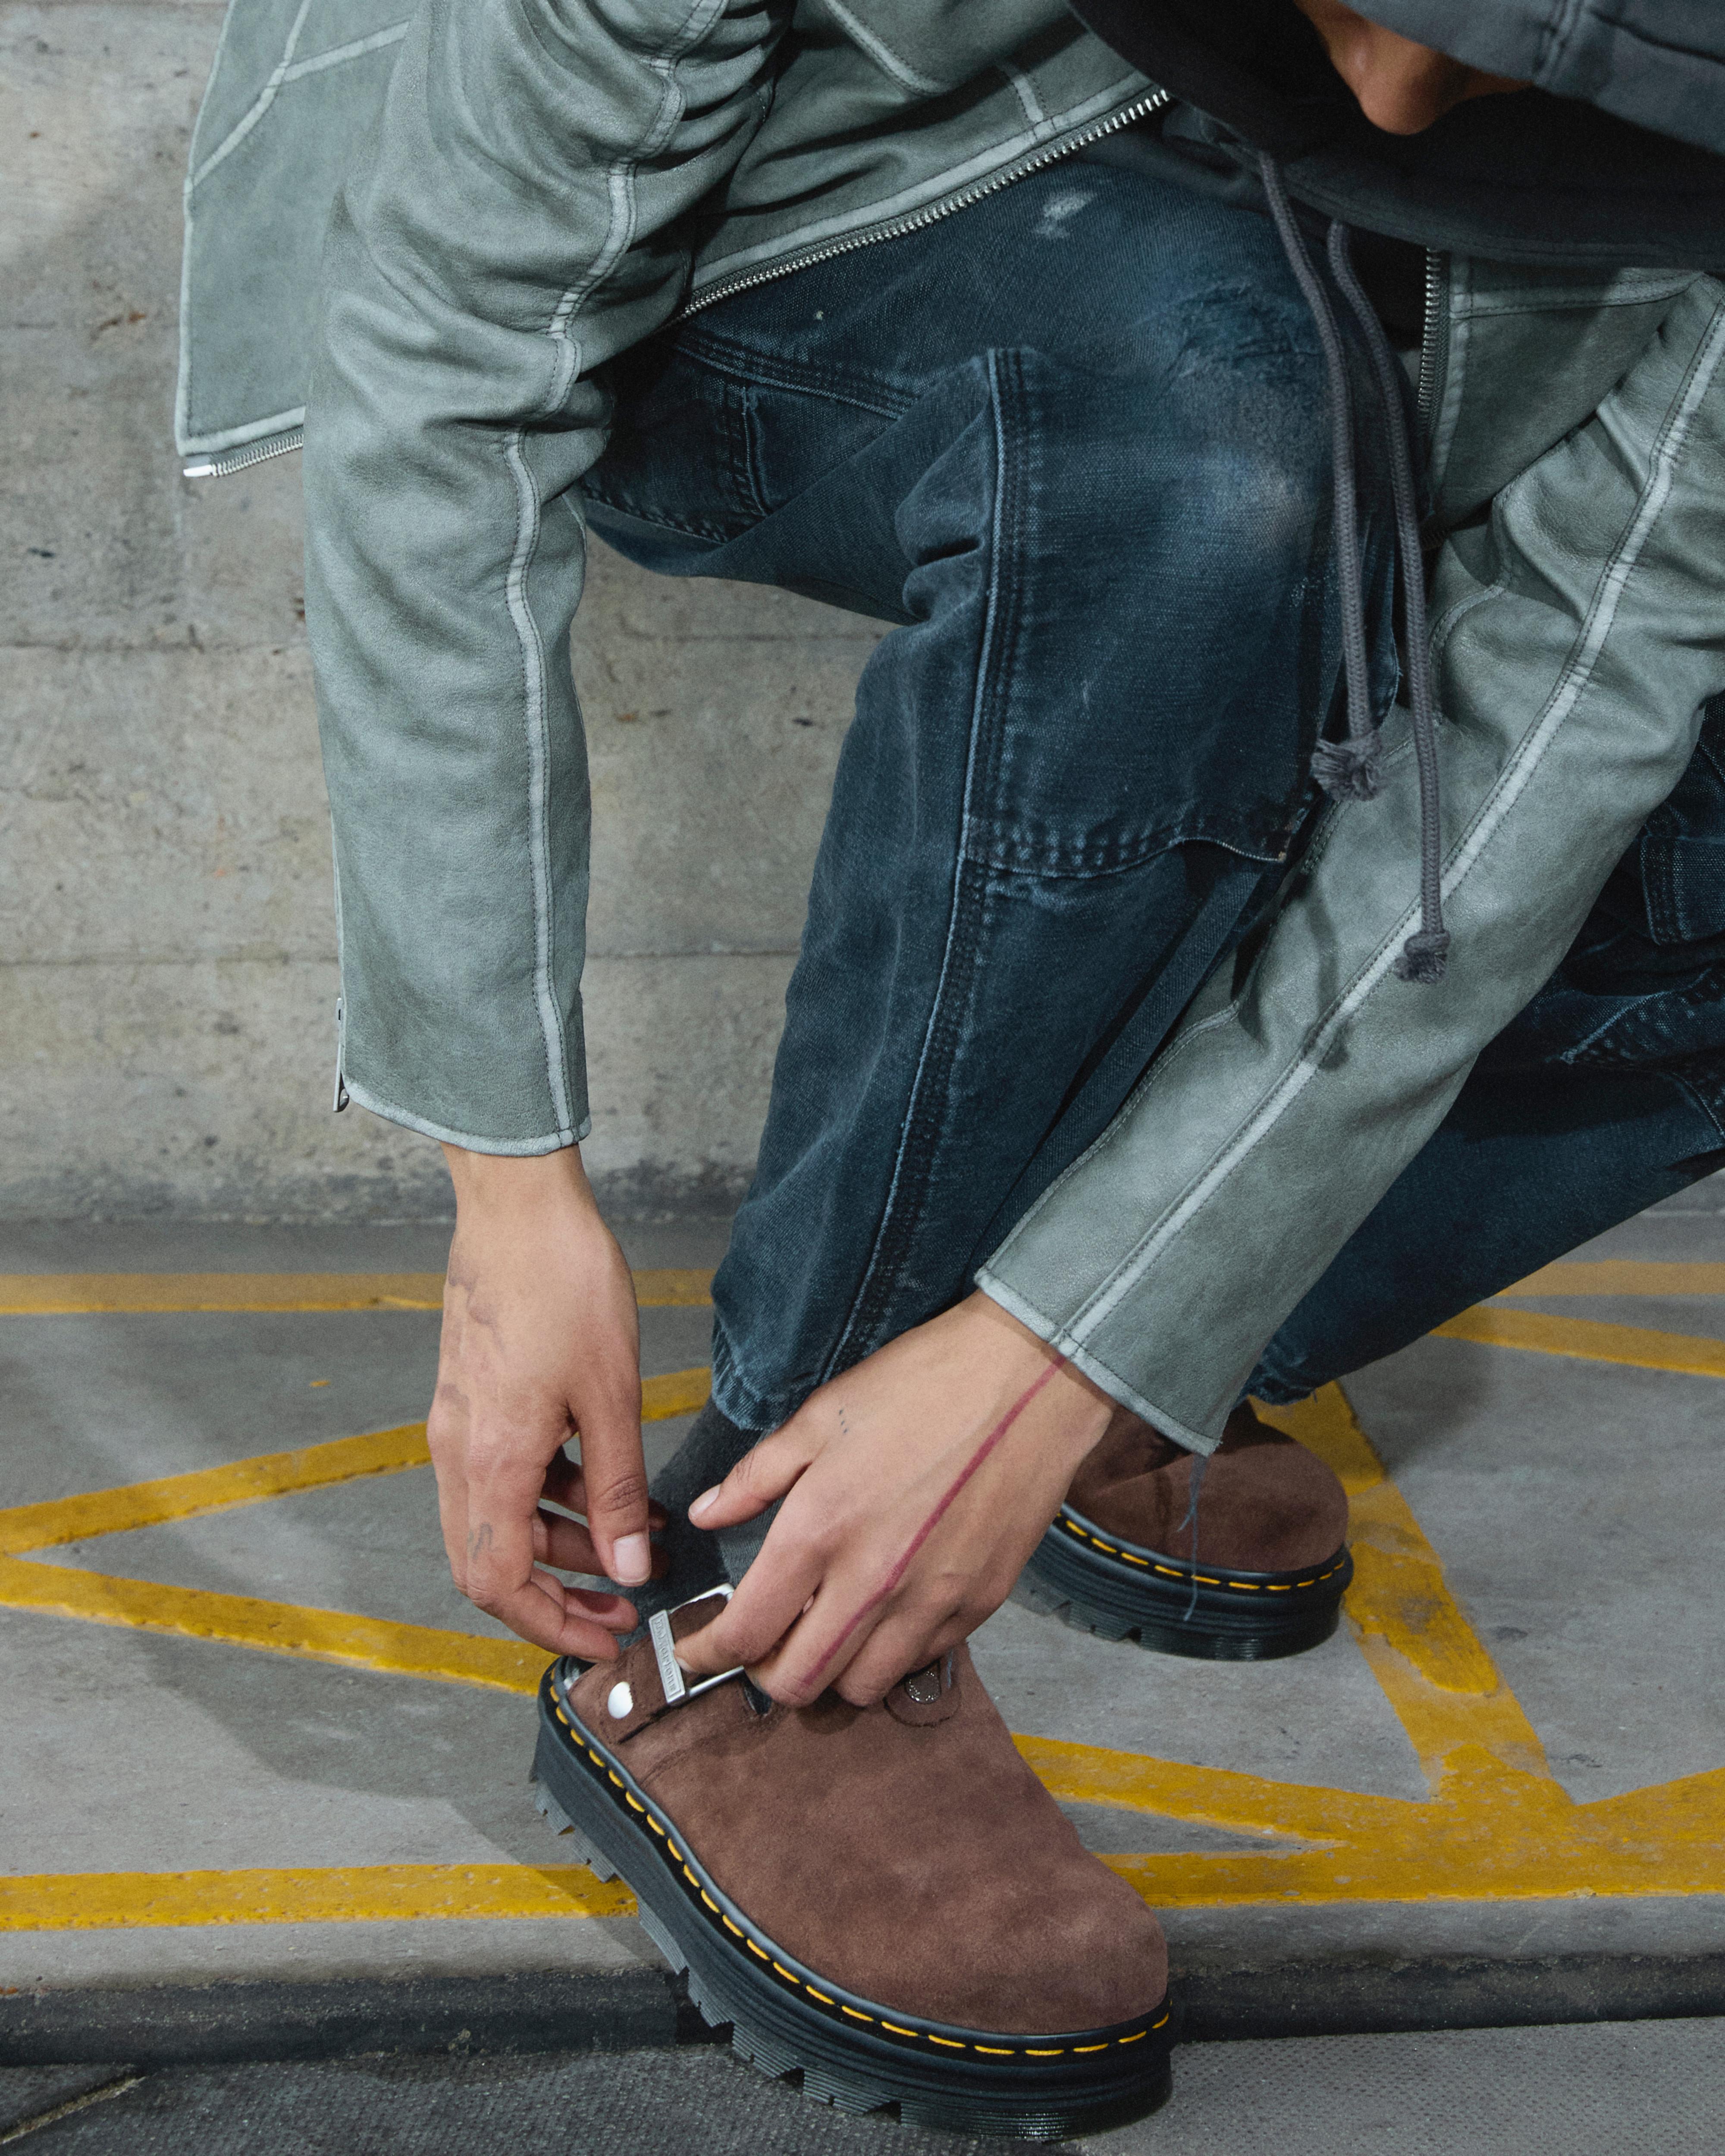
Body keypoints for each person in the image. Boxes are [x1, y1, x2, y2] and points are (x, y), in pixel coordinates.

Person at [175, 0, 1724, 2133]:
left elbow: (1566, 720)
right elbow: (451, 366)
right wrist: (505, 1184)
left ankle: (1058, 1385)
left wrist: (1082, 1331)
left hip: (1260, 273)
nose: (1389, 97)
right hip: (781, 207)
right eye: (1380, 8)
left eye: (1514, 70)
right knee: (1195, 430)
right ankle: (772, 1614)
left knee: (1290, 432)